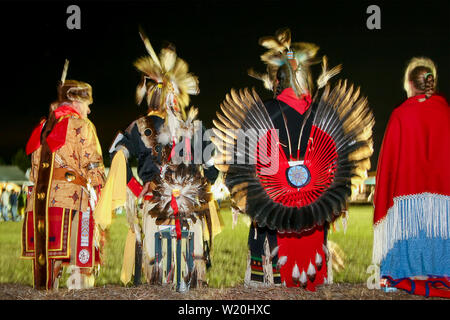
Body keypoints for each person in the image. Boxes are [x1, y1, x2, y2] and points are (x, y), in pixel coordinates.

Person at [212, 28, 374, 290]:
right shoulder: (324, 113)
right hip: (315, 216)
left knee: (272, 289)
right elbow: (343, 170)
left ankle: (270, 281)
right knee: (313, 280)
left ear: (278, 82)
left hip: (270, 217)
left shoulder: (263, 112)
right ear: (306, 80)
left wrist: (248, 192)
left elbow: (237, 172)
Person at [99, 30, 220, 291]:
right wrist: (202, 186)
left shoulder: (138, 126)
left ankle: (163, 286)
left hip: (155, 201)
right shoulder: (193, 126)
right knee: (188, 269)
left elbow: (117, 154)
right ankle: (188, 283)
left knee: (158, 273)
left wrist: (136, 188)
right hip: (186, 204)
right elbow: (212, 168)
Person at [21, 61, 106, 290]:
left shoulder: (42, 126)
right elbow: (93, 163)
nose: (89, 110)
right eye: (87, 104)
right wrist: (100, 189)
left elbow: (34, 171)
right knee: (80, 257)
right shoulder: (82, 125)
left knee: (49, 256)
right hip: (72, 199)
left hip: (40, 201)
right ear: (76, 102)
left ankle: (48, 287)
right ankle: (78, 287)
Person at [372, 57, 450, 298]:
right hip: (444, 205)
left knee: (404, 230)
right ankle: (442, 273)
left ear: (409, 84)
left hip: (405, 202)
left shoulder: (400, 115)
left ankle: (400, 274)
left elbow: (388, 164)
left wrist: (381, 191)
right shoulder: (446, 113)